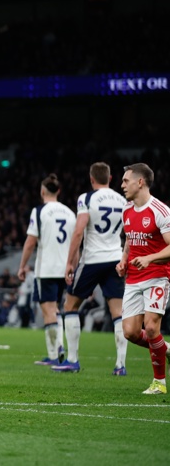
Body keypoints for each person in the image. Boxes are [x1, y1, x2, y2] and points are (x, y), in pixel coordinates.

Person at [53, 162, 128, 375]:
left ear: (91, 179)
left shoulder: (86, 199)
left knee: (70, 305)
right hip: (115, 257)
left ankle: (73, 360)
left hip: (93, 259)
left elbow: (78, 232)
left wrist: (69, 263)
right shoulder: (123, 200)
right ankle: (120, 365)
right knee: (118, 312)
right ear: (110, 178)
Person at [116, 163, 170, 394]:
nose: (122, 185)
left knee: (150, 328)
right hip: (133, 278)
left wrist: (150, 259)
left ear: (140, 182)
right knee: (129, 332)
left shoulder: (160, 210)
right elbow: (129, 240)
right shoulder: (126, 210)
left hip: (157, 276)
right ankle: (166, 349)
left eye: (126, 180)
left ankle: (160, 382)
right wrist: (123, 260)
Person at [17, 173, 76, 366]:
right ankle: (52, 356)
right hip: (64, 269)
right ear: (58, 191)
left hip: (46, 269)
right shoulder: (69, 213)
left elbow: (30, 242)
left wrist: (22, 265)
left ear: (42, 191)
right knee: (55, 309)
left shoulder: (40, 211)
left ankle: (58, 347)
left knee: (48, 311)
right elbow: (76, 243)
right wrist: (73, 266)